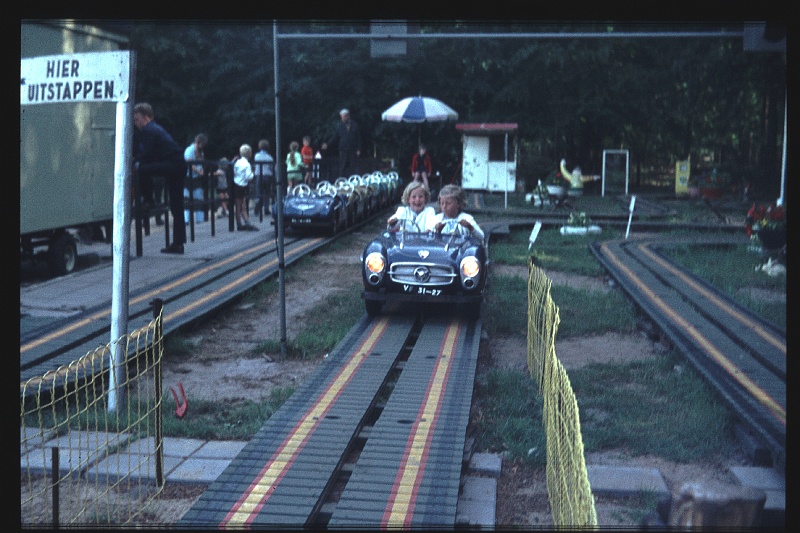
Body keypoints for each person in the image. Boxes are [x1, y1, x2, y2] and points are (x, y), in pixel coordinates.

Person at [133, 102, 187, 254]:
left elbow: (146, 154)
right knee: (177, 206)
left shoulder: (148, 130)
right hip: (177, 165)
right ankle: (178, 243)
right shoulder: (156, 129)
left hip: (172, 165)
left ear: (146, 117)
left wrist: (135, 160)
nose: (135, 123)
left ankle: (149, 200)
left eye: (136, 119)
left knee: (141, 170)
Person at [321, 108, 361, 178]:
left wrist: (359, 149)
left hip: (352, 149)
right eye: (341, 117)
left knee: (353, 166)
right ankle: (341, 181)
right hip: (343, 149)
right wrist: (327, 144)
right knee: (342, 166)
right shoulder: (340, 126)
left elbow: (358, 138)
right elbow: (334, 137)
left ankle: (353, 180)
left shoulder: (355, 125)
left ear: (347, 116)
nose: (342, 119)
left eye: (343, 117)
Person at [184, 133, 208, 224]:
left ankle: (199, 219)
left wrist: (201, 170)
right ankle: (186, 219)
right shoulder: (189, 150)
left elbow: (201, 162)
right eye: (202, 145)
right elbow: (189, 163)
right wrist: (199, 172)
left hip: (196, 177)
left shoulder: (201, 152)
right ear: (198, 142)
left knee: (198, 197)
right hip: (187, 177)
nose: (203, 147)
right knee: (186, 198)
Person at [233, 144, 258, 231]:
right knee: (241, 206)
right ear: (249, 154)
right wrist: (253, 173)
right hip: (243, 185)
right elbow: (249, 177)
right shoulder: (247, 164)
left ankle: (242, 223)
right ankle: (244, 224)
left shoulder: (238, 162)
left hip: (236, 184)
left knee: (239, 205)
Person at [254, 139, 275, 215]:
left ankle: (258, 205)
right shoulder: (269, 157)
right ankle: (266, 209)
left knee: (259, 191)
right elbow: (271, 167)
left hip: (259, 175)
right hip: (268, 175)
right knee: (267, 192)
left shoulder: (256, 156)